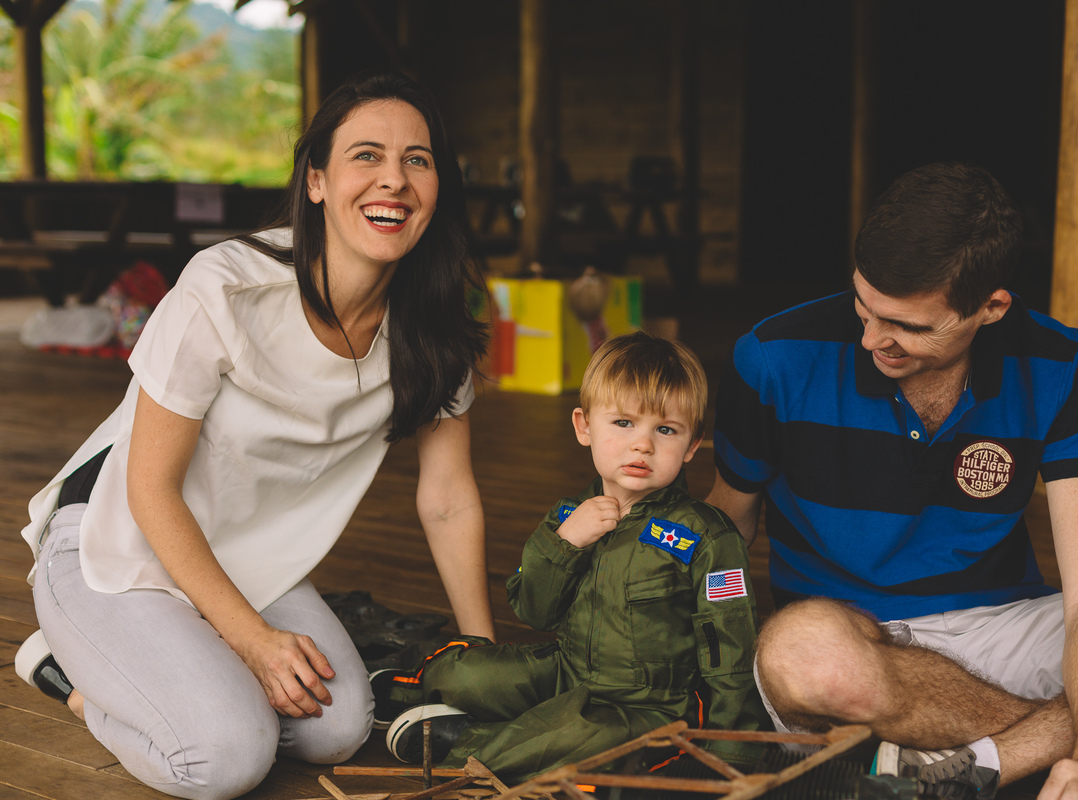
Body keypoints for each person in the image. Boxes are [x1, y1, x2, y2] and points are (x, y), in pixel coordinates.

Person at [13, 71, 495, 800]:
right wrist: (253, 641)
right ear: (317, 182)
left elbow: (450, 500)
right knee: (227, 756)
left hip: (240, 552)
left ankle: (167, 662)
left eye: (417, 160)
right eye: (366, 155)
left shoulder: (434, 324)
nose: (393, 180)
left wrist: (483, 655)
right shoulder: (228, 288)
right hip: (113, 536)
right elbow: (148, 489)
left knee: (336, 726)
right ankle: (72, 674)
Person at [706, 162, 1078, 800]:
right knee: (799, 654)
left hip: (1009, 622)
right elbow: (725, 530)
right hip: (856, 638)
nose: (871, 339)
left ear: (991, 308)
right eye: (864, 306)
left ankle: (995, 762)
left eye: (909, 327)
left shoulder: (1058, 361)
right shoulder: (771, 356)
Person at [370, 331, 771, 781]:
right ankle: (412, 691)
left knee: (563, 736)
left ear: (693, 445)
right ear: (584, 427)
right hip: (567, 670)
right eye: (623, 423)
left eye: (665, 429)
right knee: (469, 676)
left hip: (644, 707)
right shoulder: (567, 514)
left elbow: (731, 649)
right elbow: (534, 611)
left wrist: (732, 754)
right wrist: (564, 543)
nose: (643, 444)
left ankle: (459, 742)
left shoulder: (707, 537)